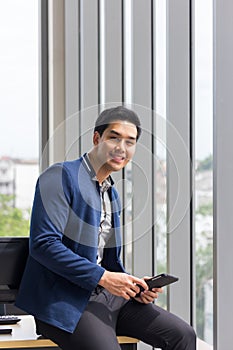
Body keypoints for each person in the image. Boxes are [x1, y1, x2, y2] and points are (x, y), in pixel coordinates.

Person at [16, 106, 196, 349]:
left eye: (130, 142)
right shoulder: (59, 176)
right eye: (114, 137)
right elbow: (44, 245)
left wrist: (133, 287)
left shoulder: (112, 194)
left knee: (183, 335)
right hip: (64, 301)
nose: (122, 147)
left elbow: (106, 262)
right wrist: (104, 277)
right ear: (96, 138)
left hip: (106, 296)